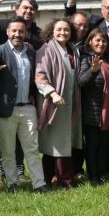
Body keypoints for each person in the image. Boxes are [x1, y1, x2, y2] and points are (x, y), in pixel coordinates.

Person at [0, 17, 49, 193]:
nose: (17, 34)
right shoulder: (0, 50)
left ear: (25, 33)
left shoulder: (31, 52)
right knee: (8, 150)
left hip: (27, 107)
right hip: (7, 109)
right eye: (14, 31)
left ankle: (39, 184)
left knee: (32, 148)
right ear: (7, 32)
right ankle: (13, 183)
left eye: (21, 31)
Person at [35, 18, 82, 189]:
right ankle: (65, 182)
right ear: (51, 31)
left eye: (66, 29)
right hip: (54, 102)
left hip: (70, 102)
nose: (63, 32)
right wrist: (53, 93)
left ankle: (48, 177)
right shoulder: (45, 49)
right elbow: (39, 77)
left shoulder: (73, 50)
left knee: (58, 142)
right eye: (59, 29)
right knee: (58, 143)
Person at [78, 28, 109, 185]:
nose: (101, 43)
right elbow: (81, 82)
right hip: (92, 111)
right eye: (97, 40)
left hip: (108, 111)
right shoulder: (87, 58)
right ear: (90, 42)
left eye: (104, 41)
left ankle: (103, 174)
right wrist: (93, 70)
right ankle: (93, 177)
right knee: (92, 145)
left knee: (105, 144)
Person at [69, 11, 90, 181]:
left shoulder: (87, 46)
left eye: (85, 25)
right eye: (78, 25)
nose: (82, 28)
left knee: (79, 136)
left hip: (83, 98)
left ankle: (77, 169)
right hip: (63, 97)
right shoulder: (62, 44)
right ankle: (57, 172)